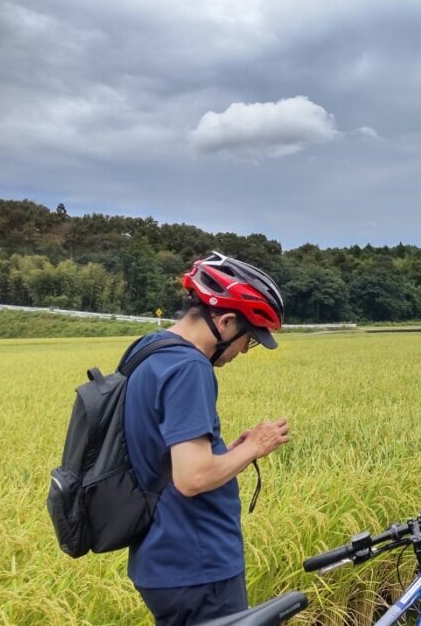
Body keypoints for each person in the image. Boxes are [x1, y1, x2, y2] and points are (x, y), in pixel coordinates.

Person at [123, 252, 291, 625]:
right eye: (248, 341)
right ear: (227, 322)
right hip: (198, 566)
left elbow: (167, 458)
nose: (243, 352)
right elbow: (193, 477)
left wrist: (229, 453)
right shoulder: (189, 367)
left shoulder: (148, 350)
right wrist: (254, 446)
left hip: (159, 557)